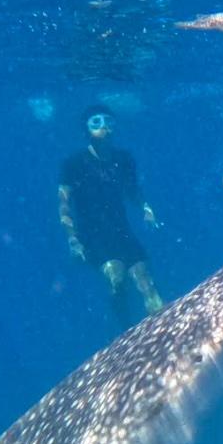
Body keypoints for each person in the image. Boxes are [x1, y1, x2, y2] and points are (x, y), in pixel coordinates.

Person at [59, 104, 164, 325]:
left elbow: (133, 191)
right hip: (93, 234)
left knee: (146, 281)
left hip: (122, 230)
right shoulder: (74, 164)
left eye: (108, 121)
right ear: (86, 129)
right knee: (116, 279)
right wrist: (73, 238)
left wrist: (147, 209)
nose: (104, 126)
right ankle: (126, 334)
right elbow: (64, 203)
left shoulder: (124, 159)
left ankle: (164, 329)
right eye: (96, 122)